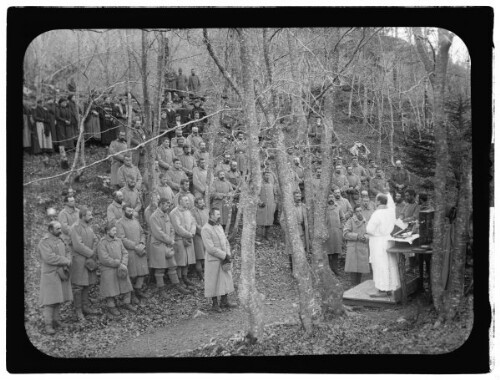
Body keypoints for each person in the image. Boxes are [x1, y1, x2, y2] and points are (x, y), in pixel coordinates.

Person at [38, 221, 73, 334]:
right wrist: (65, 261)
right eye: (57, 229)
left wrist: (68, 259)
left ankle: (56, 321)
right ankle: (48, 325)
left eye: (60, 228)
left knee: (58, 298)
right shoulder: (44, 242)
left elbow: (67, 251)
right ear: (50, 229)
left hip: (61, 273)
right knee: (50, 301)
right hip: (50, 274)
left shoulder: (60, 239)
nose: (60, 230)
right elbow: (49, 258)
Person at [149, 198, 190, 295]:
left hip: (168, 244)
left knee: (172, 266)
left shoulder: (166, 215)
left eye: (168, 205)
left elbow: (171, 229)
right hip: (158, 245)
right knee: (160, 268)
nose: (168, 207)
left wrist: (171, 239)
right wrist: (170, 241)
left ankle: (177, 285)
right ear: (160, 205)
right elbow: (158, 233)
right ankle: (161, 289)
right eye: (166, 205)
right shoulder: (154, 217)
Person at [201, 208, 237, 312]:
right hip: (213, 260)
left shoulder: (219, 226)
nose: (219, 216)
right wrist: (224, 255)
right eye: (217, 214)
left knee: (225, 279)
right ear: (211, 215)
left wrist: (228, 254)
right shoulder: (205, 229)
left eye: (219, 214)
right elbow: (210, 248)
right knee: (214, 282)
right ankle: (215, 304)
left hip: (224, 258)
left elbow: (225, 241)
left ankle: (224, 301)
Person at [97, 221, 136, 317]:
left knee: (126, 287)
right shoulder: (102, 243)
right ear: (107, 231)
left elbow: (125, 253)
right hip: (108, 269)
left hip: (121, 268)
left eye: (115, 230)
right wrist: (117, 263)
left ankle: (126, 303)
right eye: (113, 230)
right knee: (110, 291)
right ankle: (112, 307)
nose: (115, 232)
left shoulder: (118, 240)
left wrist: (123, 264)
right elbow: (104, 258)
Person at [366, 193, 399, 297]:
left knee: (380, 264)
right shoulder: (390, 212)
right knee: (389, 263)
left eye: (376, 201)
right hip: (388, 240)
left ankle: (383, 289)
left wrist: (369, 233)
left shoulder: (377, 213)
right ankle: (390, 287)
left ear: (378, 202)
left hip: (379, 241)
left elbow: (369, 229)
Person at [69, 207, 100, 321]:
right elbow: (77, 245)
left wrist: (94, 251)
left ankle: (85, 307)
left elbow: (95, 239)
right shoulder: (75, 228)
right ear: (82, 216)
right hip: (79, 261)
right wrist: (91, 253)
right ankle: (78, 311)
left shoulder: (89, 227)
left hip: (89, 261)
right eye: (89, 215)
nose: (91, 217)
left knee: (87, 284)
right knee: (78, 286)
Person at [116, 205, 149, 305]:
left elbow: (142, 233)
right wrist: (135, 246)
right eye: (128, 211)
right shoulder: (119, 223)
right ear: (123, 211)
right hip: (130, 251)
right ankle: (132, 293)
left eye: (132, 210)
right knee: (131, 275)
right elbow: (122, 238)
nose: (131, 212)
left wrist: (142, 243)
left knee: (142, 273)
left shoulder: (135, 220)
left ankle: (138, 289)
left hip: (140, 249)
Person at [170, 194, 198, 292]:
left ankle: (185, 277)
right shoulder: (174, 213)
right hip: (179, 240)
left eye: (188, 201)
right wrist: (188, 234)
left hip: (189, 238)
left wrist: (192, 233)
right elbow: (177, 227)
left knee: (187, 261)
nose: (188, 202)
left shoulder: (188, 211)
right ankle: (179, 279)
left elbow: (194, 223)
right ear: (180, 201)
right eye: (186, 201)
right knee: (180, 261)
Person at [280, 191, 310, 272]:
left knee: (302, 248)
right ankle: (292, 268)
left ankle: (302, 268)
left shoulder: (304, 206)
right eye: (296, 196)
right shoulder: (288, 207)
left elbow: (308, 219)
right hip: (292, 231)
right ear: (293, 197)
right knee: (291, 250)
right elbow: (282, 220)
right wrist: (288, 230)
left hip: (302, 230)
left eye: (299, 196)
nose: (298, 198)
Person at [343, 205, 370, 286]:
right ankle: (353, 286)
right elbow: (345, 234)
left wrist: (365, 237)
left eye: (360, 211)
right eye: (357, 211)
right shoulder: (350, 221)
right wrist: (357, 236)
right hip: (353, 247)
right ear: (354, 212)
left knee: (361, 268)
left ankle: (358, 285)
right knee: (353, 268)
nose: (359, 213)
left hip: (362, 247)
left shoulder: (366, 222)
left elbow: (370, 233)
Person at [323, 192, 346, 275]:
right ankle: (329, 270)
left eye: (332, 197)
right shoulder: (324, 208)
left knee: (336, 251)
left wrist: (341, 227)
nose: (331, 199)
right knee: (329, 252)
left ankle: (335, 269)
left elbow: (343, 218)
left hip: (337, 233)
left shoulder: (338, 207)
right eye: (329, 197)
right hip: (328, 233)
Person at [191, 197, 209, 281]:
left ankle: (207, 274)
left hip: (206, 236)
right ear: (196, 204)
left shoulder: (206, 210)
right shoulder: (192, 212)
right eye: (200, 203)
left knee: (206, 255)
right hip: (197, 236)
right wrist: (202, 231)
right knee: (199, 256)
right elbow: (194, 224)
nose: (203, 204)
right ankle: (200, 275)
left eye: (203, 202)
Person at [256, 171, 277, 241]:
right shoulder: (260, 185)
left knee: (270, 220)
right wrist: (259, 202)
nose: (267, 177)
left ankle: (268, 235)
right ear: (263, 176)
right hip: (262, 205)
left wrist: (274, 204)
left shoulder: (272, 184)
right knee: (260, 220)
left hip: (271, 205)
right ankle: (259, 236)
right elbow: (256, 195)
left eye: (268, 175)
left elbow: (275, 195)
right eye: (266, 175)